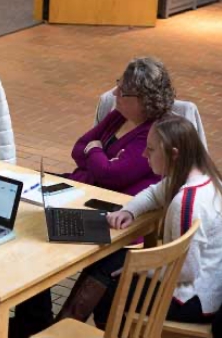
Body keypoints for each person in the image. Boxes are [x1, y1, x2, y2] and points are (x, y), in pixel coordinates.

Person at [57, 115, 222, 328]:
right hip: (203, 282)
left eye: (151, 150)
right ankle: (65, 324)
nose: (144, 155)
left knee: (109, 290)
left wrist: (137, 268)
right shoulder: (201, 175)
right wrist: (130, 211)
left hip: (193, 298)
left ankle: (83, 327)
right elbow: (155, 193)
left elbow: (186, 271)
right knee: (111, 263)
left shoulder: (187, 203)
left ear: (174, 154)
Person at [66, 56, 175, 195]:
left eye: (122, 91)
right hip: (85, 188)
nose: (114, 93)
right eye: (118, 84)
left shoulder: (154, 132)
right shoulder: (120, 115)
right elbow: (78, 149)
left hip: (110, 204)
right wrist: (104, 164)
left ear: (144, 99)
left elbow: (111, 177)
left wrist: (94, 150)